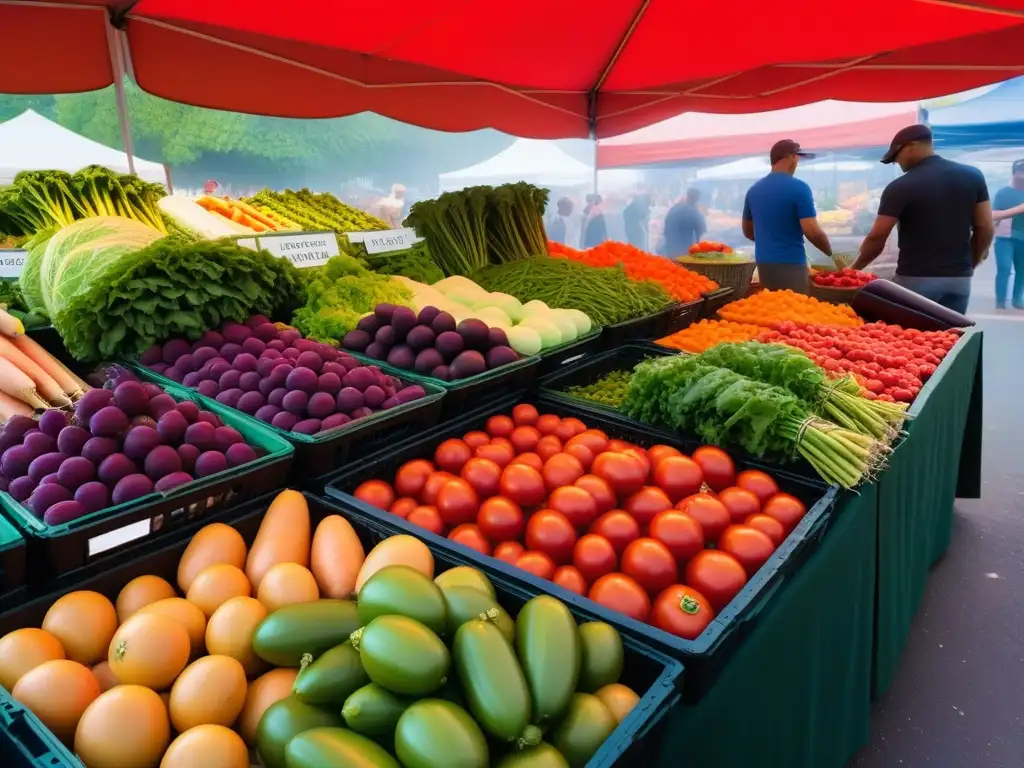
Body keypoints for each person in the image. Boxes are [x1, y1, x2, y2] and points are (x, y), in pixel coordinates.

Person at [852, 125, 993, 315]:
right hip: (959, 281)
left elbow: (877, 237)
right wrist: (969, 265)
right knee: (950, 338)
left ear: (911, 147)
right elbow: (985, 227)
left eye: (896, 156)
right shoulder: (973, 176)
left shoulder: (901, 186)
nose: (898, 163)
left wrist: (853, 270)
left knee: (911, 339)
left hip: (915, 279)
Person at [742, 140, 832, 293]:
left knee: (772, 309)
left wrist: (770, 240)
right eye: (797, 157)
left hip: (764, 264)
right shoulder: (799, 188)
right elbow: (811, 230)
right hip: (791, 263)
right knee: (794, 310)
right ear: (791, 156)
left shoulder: (753, 190)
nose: (797, 162)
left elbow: (748, 231)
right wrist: (830, 253)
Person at [991, 159, 1024, 310]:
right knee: (1004, 268)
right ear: (1014, 173)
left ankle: (1017, 300)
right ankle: (1000, 302)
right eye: (1021, 171)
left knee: (1021, 270)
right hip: (1004, 238)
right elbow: (994, 215)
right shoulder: (1003, 193)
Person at [662, 188, 706, 257]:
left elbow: (666, 227)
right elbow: (702, 232)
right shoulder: (695, 213)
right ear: (697, 200)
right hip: (683, 252)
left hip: (669, 248)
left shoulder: (675, 207)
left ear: (687, 196)